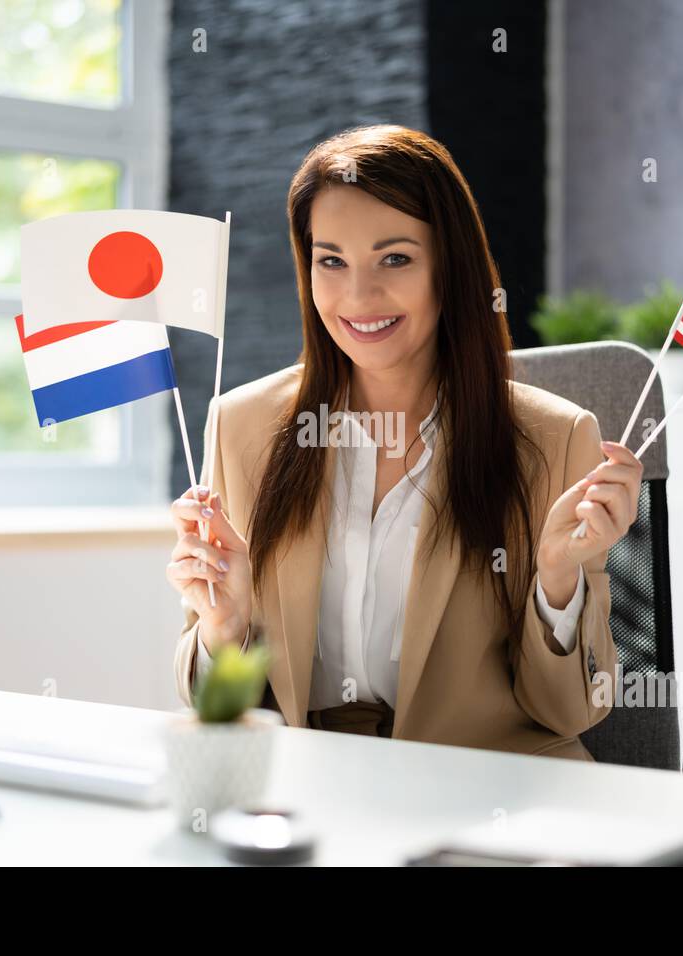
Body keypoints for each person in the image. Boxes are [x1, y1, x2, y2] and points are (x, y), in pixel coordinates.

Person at [167, 124, 641, 760]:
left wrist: (557, 579)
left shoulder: (557, 438)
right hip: (308, 789)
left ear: (450, 266)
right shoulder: (242, 425)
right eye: (330, 261)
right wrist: (223, 631)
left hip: (481, 792)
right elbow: (211, 710)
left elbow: (568, 710)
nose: (358, 296)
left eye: (395, 258)